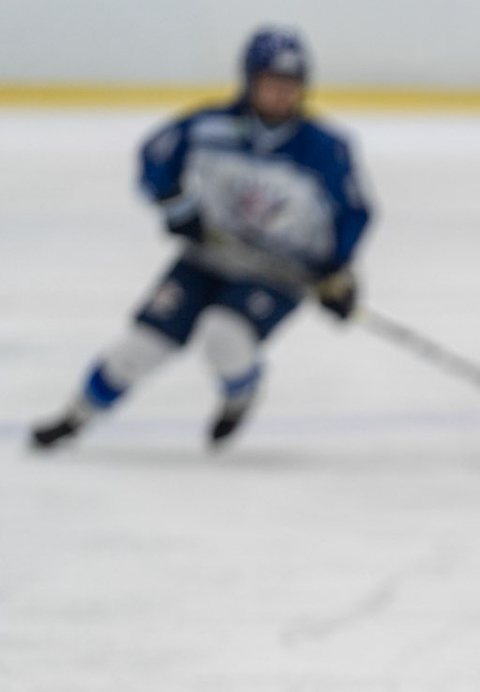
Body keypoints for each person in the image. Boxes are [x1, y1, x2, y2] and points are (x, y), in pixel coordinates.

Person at [30, 26, 371, 450]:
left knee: (224, 337)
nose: (282, 93)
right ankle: (75, 416)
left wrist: (339, 271)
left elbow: (354, 212)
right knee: (140, 348)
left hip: (276, 272)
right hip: (205, 257)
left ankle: (240, 396)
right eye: (271, 82)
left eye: (291, 84)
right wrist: (177, 207)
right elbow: (156, 157)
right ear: (249, 80)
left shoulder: (325, 149)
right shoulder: (210, 126)